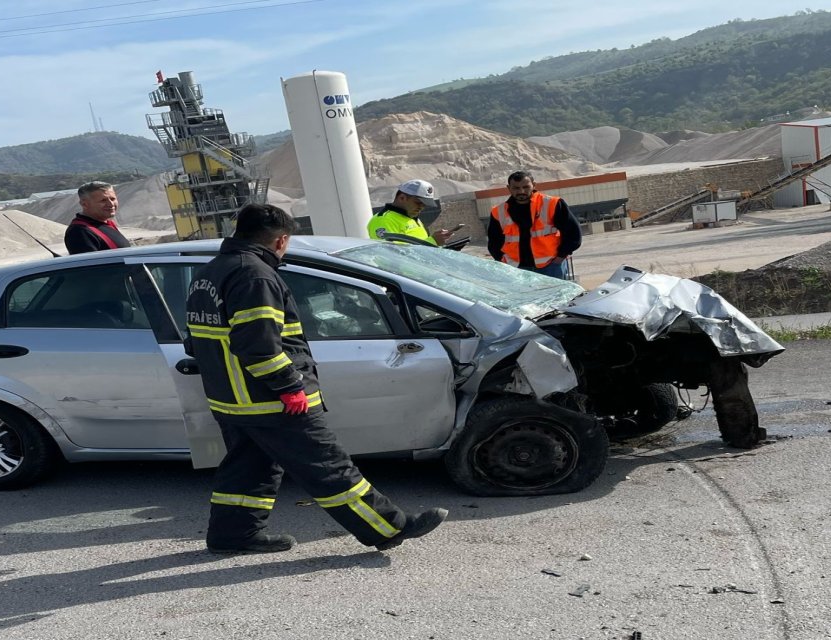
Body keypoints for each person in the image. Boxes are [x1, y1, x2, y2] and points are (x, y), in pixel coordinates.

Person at [184, 203, 447, 554]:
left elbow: (194, 339)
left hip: (232, 398)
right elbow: (258, 347)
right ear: (281, 240)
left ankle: (232, 534)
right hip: (268, 399)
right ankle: (388, 528)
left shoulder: (210, 272)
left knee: (249, 466)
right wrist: (290, 386)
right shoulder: (255, 276)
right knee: (328, 465)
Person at [486, 170, 582, 280]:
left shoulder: (553, 204)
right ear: (509, 188)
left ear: (534, 185)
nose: (521, 191)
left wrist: (560, 257)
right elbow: (494, 242)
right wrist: (502, 261)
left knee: (556, 297)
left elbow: (573, 234)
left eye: (526, 187)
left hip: (550, 266)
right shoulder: (498, 212)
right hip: (516, 269)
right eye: (516, 188)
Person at [367, 179, 459, 246]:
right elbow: (392, 255)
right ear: (402, 198)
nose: (421, 208)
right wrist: (433, 241)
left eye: (424, 205)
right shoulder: (383, 220)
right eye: (418, 203)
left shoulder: (413, 218)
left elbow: (419, 247)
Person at [64, 181, 131, 255]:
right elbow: (90, 264)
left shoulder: (106, 224)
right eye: (103, 200)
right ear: (84, 204)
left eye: (112, 199)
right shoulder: (79, 232)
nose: (111, 204)